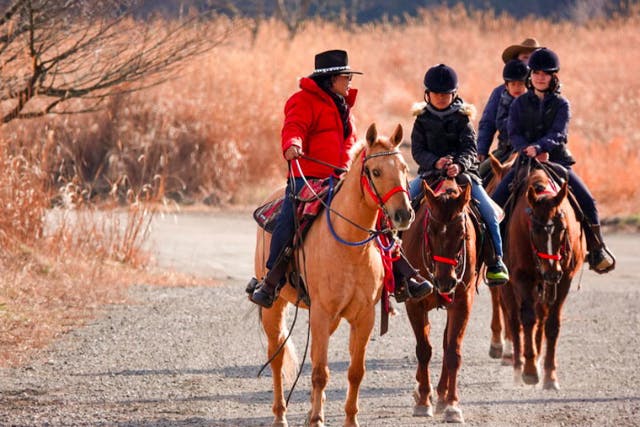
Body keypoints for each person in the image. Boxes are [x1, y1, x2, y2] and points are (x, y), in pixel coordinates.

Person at [248, 49, 433, 308]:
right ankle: (271, 280)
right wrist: (292, 144)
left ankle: (402, 275)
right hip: (307, 177)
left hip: (341, 177)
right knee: (290, 219)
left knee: (377, 212)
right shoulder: (302, 101)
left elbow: (349, 145)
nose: (349, 81)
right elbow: (294, 127)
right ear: (331, 79)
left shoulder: (344, 107)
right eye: (346, 76)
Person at [491, 48, 615, 273]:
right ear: (530, 75)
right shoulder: (518, 104)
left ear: (553, 77)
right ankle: (492, 255)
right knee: (494, 203)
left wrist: (540, 147)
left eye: (545, 74)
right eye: (536, 72)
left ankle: (597, 249)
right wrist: (526, 149)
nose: (540, 77)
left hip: (556, 161)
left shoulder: (562, 104)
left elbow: (559, 133)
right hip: (525, 162)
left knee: (588, 201)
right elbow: (514, 131)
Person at [408, 64, 509, 286]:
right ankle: (396, 261)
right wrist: (435, 162)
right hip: (429, 174)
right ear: (428, 94)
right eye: (436, 93)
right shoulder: (421, 119)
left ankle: (496, 261)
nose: (441, 98)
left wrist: (459, 166)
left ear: (454, 94)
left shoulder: (463, 118)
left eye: (446, 94)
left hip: (464, 176)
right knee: (401, 205)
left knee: (490, 212)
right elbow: (418, 150)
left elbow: (470, 150)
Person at [478, 38, 541, 172]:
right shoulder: (500, 92)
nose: (529, 62)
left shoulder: (546, 91)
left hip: (540, 151)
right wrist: (482, 149)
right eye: (525, 57)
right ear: (517, 60)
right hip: (506, 150)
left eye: (533, 58)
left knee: (566, 182)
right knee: (477, 177)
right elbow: (488, 122)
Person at [478, 59, 530, 186]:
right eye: (513, 84)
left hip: (532, 149)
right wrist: (481, 149)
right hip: (506, 149)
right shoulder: (503, 100)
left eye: (521, 84)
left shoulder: (535, 99)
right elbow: (496, 123)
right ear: (506, 86)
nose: (517, 87)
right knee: (479, 173)